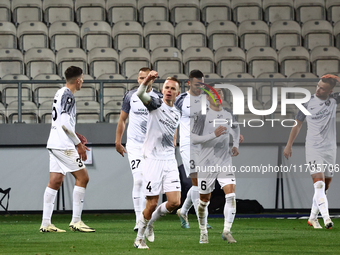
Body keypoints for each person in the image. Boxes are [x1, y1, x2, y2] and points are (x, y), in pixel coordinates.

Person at [175, 73, 243, 229]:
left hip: (206, 147)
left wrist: (233, 135)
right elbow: (173, 118)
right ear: (189, 83)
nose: (200, 87)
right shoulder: (181, 99)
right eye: (197, 84)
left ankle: (184, 211)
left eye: (202, 84)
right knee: (198, 183)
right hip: (188, 145)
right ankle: (199, 220)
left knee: (201, 185)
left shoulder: (205, 103)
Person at [40, 66, 95, 233]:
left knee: (55, 181)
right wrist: (78, 144)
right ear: (78, 80)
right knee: (83, 177)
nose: (83, 82)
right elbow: (64, 123)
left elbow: (61, 123)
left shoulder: (59, 92)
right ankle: (76, 221)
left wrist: (76, 135)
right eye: (82, 79)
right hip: (63, 145)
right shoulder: (69, 96)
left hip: (54, 142)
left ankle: (46, 223)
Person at [283, 74, 339, 229]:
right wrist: (289, 145)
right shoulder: (307, 103)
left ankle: (312, 218)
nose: (318, 90)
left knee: (325, 187)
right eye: (318, 86)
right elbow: (297, 125)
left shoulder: (333, 100)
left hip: (330, 149)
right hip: (314, 148)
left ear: (330, 91)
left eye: (323, 88)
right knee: (319, 185)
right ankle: (327, 219)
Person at [134, 71, 181, 249]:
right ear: (162, 90)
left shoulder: (176, 113)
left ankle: (150, 223)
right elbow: (140, 93)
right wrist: (147, 80)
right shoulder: (155, 105)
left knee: (175, 202)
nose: (169, 90)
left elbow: (173, 131)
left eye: (172, 89)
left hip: (169, 160)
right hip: (152, 159)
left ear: (177, 92)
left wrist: (174, 142)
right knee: (152, 203)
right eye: (167, 87)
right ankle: (139, 238)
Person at [115, 67, 162, 231]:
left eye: (146, 78)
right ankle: (138, 220)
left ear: (152, 80)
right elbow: (122, 119)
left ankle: (148, 217)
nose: (143, 81)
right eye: (140, 78)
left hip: (152, 146)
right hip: (134, 145)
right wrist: (118, 141)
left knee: (151, 183)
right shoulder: (130, 96)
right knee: (139, 180)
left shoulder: (159, 97)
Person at [191, 86, 240, 244]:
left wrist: (236, 144)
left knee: (231, 195)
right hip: (206, 163)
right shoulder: (202, 115)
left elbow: (236, 128)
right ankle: (203, 231)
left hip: (225, 161)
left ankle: (227, 230)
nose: (217, 95)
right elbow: (193, 138)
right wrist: (214, 134)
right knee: (204, 201)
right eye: (213, 92)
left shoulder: (227, 114)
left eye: (220, 92)